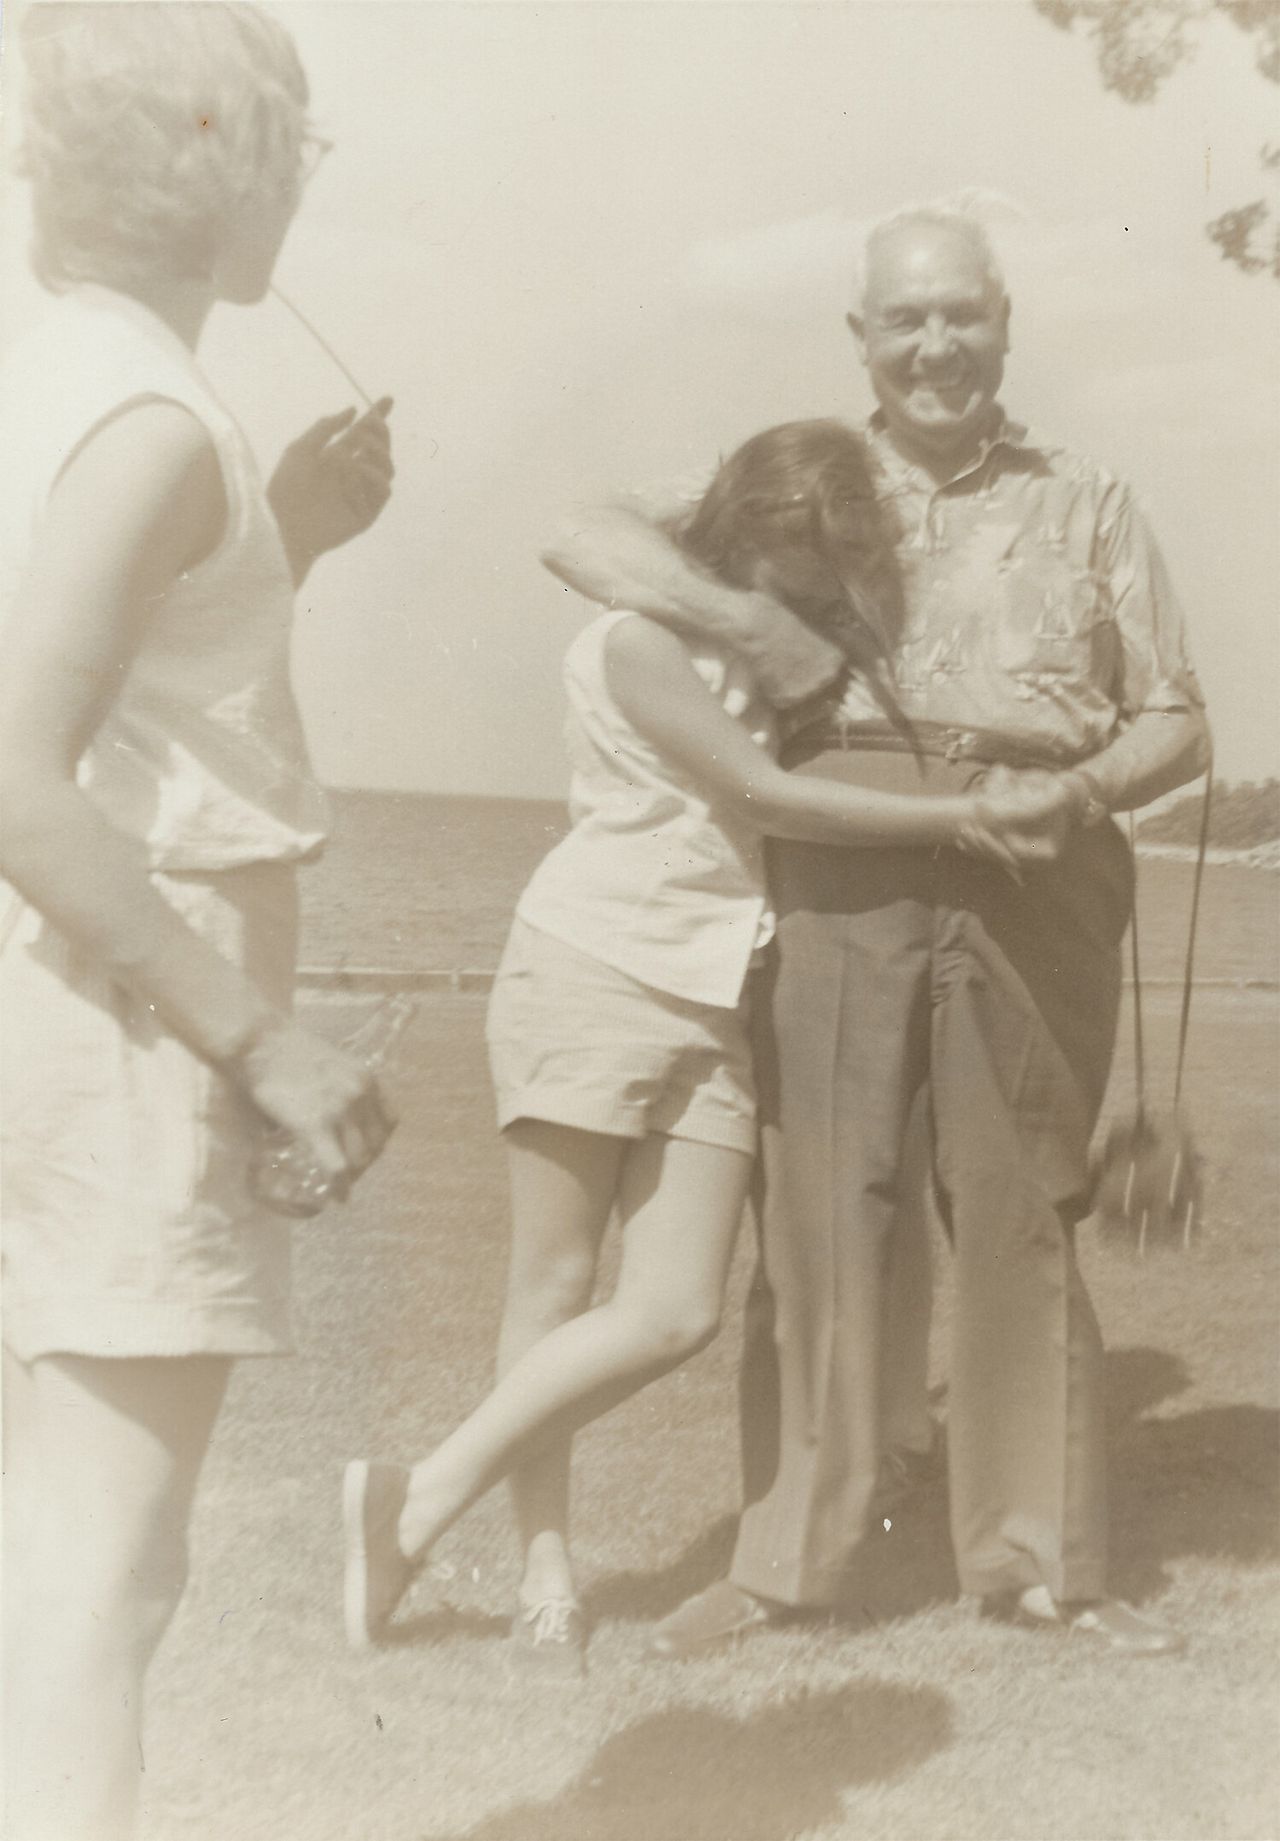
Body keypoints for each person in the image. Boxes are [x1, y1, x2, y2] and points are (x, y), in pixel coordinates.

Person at [542, 204, 1211, 1660]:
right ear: (862, 337)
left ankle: (1037, 1564)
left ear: (1005, 323)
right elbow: (575, 529)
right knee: (825, 1204)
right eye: (903, 319)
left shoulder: (1091, 497)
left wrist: (1081, 786)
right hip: (841, 850)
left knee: (1020, 1205)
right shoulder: (791, 483)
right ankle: (790, 1558)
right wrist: (746, 615)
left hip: (1042, 858)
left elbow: (1179, 716)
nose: (935, 344)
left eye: (960, 314)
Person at [341, 418, 1073, 1678]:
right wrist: (962, 816)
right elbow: (767, 799)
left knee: (672, 1306)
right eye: (795, 565)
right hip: (591, 968)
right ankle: (544, 1570)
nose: (816, 593)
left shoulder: (782, 636)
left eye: (833, 566)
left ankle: (413, 1495)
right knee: (554, 1287)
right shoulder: (636, 642)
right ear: (737, 536)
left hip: (718, 989)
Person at [0, 9, 396, 1837]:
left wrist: (286, 541)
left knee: (54, 1557)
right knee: (102, 1570)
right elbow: (14, 769)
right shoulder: (155, 420)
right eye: (296, 148)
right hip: (119, 1026)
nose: (302, 190)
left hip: (61, 1005)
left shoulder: (56, 374)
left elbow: (135, 694)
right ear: (224, 154)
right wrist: (260, 1033)